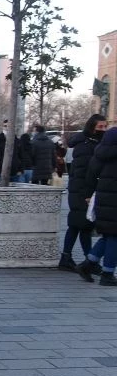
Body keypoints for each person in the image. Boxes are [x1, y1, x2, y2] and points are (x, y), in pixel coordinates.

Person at [59, 114, 107, 271]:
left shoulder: (93, 143)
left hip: (83, 190)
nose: (103, 130)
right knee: (82, 225)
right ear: (92, 127)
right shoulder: (86, 145)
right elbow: (84, 172)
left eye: (105, 127)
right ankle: (88, 261)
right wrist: (87, 194)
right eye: (100, 127)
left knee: (79, 225)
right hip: (81, 191)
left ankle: (72, 258)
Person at [77, 127, 117, 286]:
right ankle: (107, 274)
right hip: (114, 199)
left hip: (103, 197)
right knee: (114, 237)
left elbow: (91, 174)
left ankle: (88, 265)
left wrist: (88, 195)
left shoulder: (99, 152)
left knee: (108, 235)